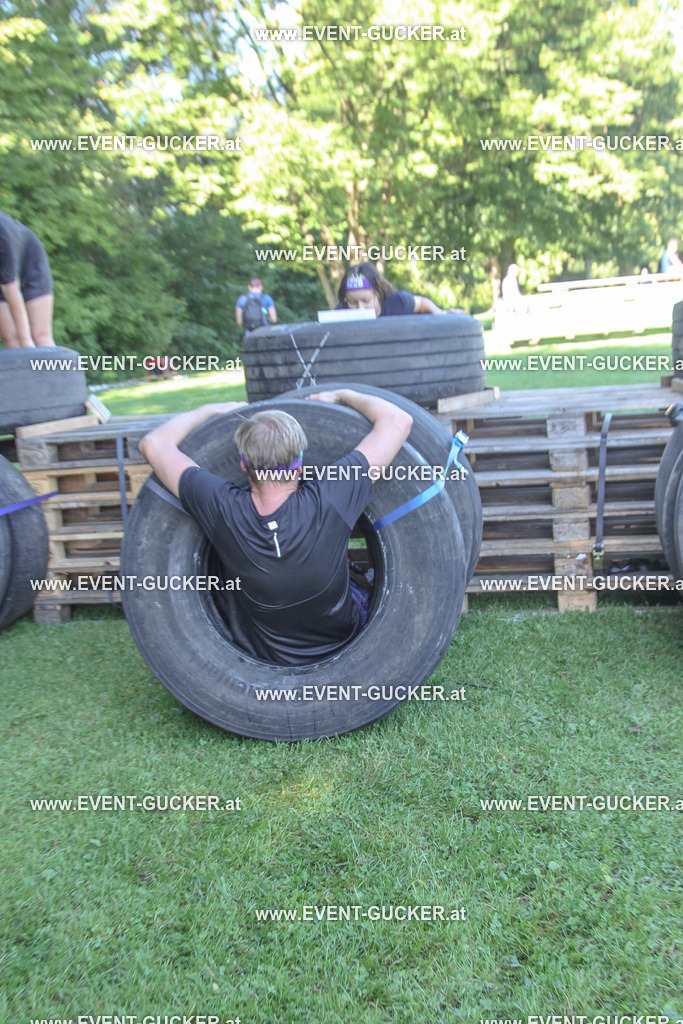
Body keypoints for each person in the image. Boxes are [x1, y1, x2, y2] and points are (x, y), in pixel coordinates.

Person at [138, 389, 412, 666]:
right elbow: (398, 420)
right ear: (300, 465)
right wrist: (343, 395)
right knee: (363, 588)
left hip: (266, 657)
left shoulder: (219, 504)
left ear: (243, 465)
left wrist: (208, 412)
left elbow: (153, 443)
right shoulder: (334, 494)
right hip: (344, 640)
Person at [0, 210, 55, 347]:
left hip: (30, 263)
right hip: (5, 278)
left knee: (40, 335)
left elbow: (10, 289)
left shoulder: (2, 235)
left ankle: (50, 368)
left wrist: (27, 344)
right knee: (10, 337)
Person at [337, 262, 465, 316]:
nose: (360, 308)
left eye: (366, 301)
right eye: (353, 303)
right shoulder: (341, 312)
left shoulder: (397, 302)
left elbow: (421, 303)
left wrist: (442, 314)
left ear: (379, 293)